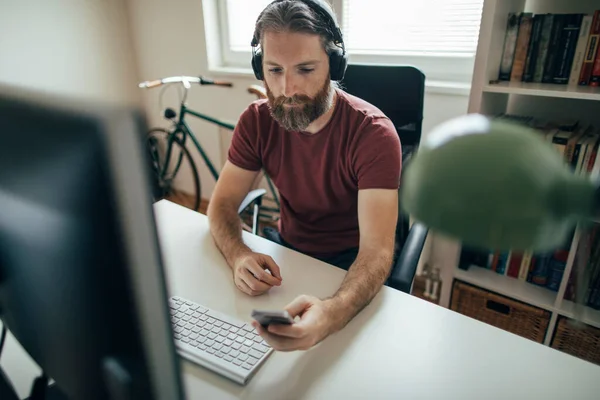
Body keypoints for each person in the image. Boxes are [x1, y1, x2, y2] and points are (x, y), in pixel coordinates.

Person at [207, 0, 401, 352]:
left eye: (306, 69)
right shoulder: (256, 121)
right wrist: (238, 254)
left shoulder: (374, 135)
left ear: (335, 65)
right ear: (259, 68)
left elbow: (376, 250)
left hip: (350, 266)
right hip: (288, 254)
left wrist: (331, 313)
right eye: (275, 70)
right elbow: (221, 204)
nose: (288, 89)